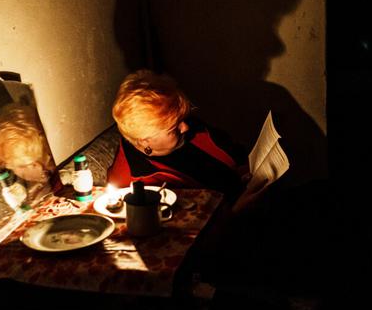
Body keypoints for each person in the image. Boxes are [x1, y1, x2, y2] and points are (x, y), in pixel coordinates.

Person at [108, 70, 266, 211]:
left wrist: (243, 173)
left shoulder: (185, 130)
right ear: (144, 140)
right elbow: (181, 230)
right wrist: (234, 213)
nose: (185, 127)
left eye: (182, 119)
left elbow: (231, 152)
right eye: (174, 127)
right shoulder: (134, 183)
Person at [0, 103, 61, 204]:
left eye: (15, 168)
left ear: (34, 165)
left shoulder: (60, 184)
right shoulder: (46, 181)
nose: (15, 173)